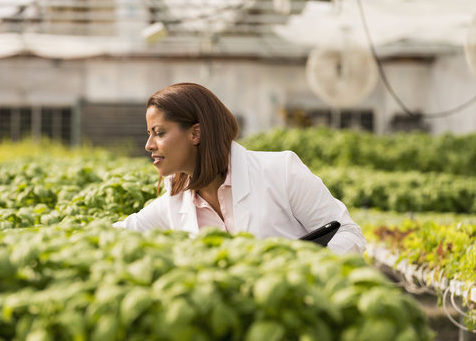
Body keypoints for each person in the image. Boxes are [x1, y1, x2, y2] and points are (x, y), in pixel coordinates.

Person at [113, 82, 366, 255]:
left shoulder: (281, 171)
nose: (148, 145)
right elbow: (114, 235)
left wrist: (303, 270)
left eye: (158, 133)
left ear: (195, 133)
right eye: (149, 134)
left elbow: (349, 234)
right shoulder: (175, 201)